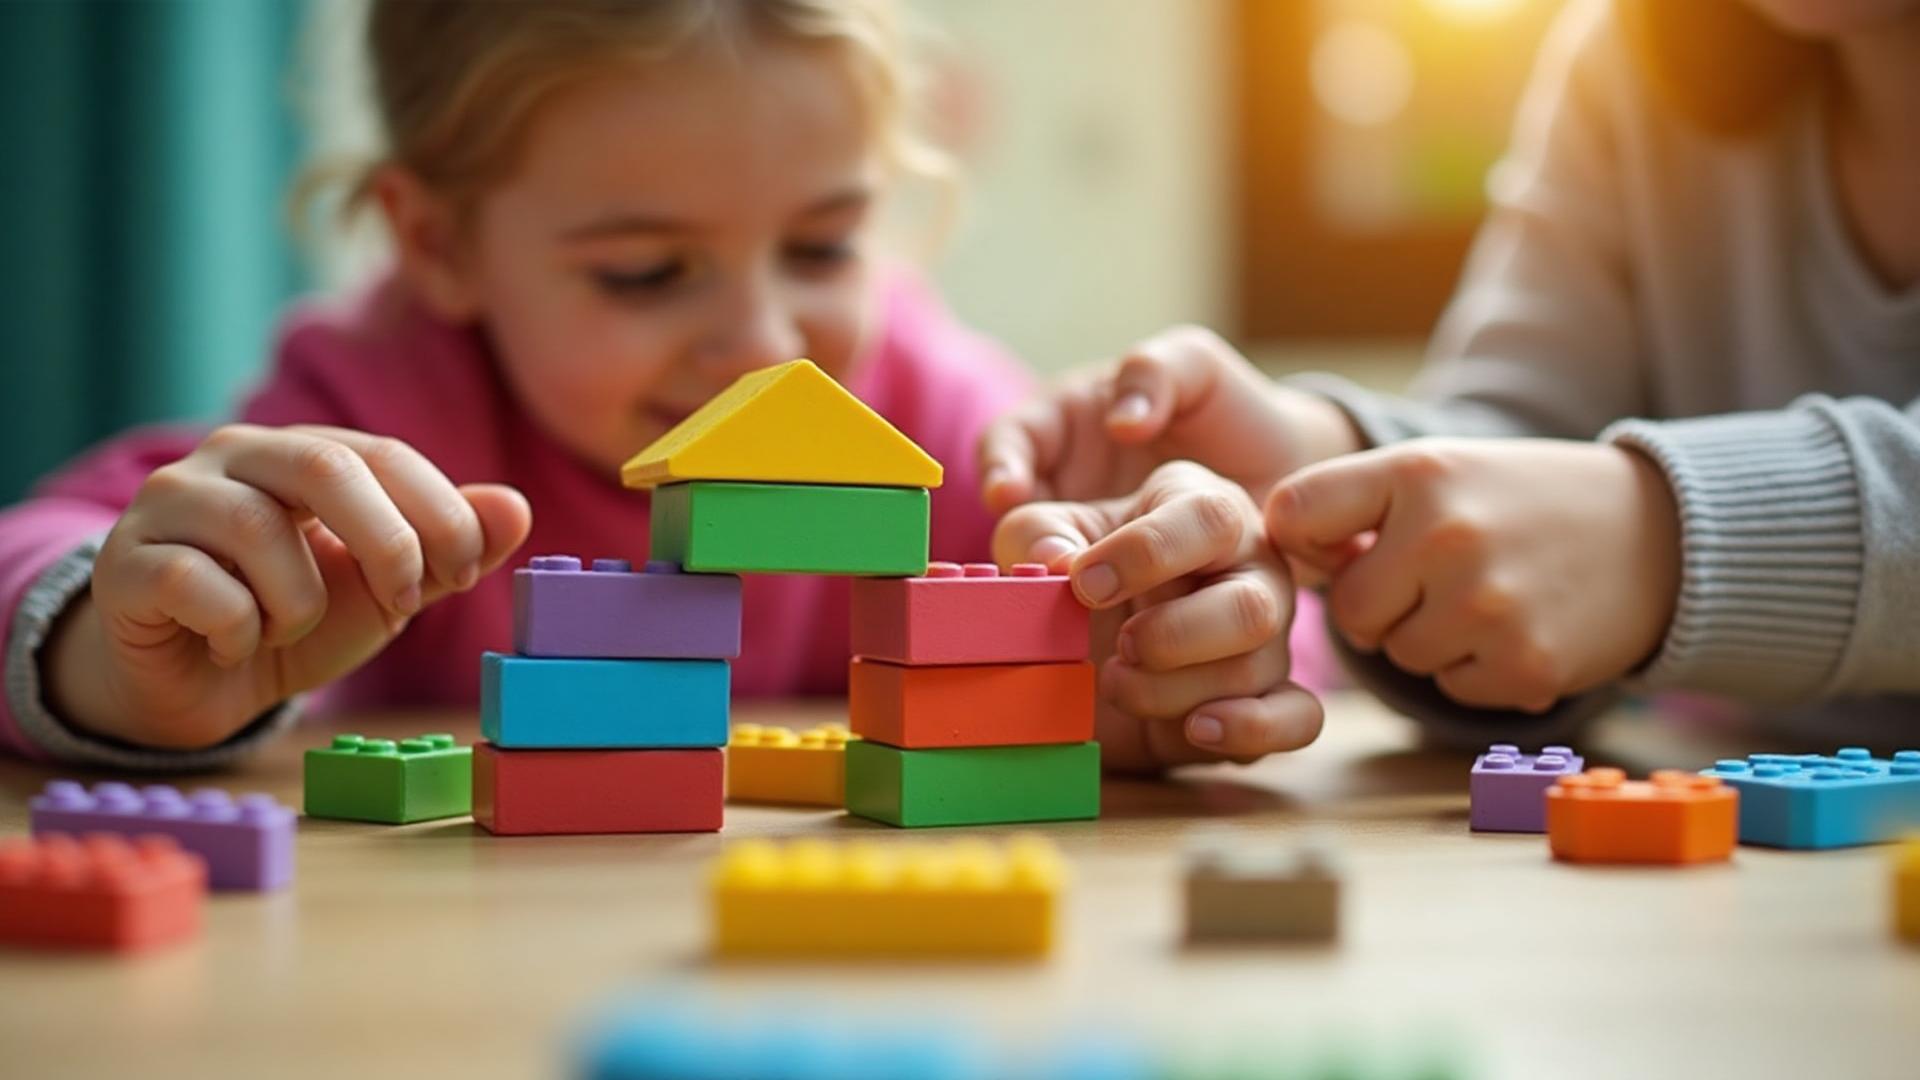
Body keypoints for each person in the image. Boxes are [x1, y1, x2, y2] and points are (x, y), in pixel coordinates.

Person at [0, 0, 1306, 773]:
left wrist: (1185, 649)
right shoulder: (378, 408)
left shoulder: (939, 416)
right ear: (437, 242)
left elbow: (1276, 656)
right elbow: (51, 561)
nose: (762, 342)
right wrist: (119, 660)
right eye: (642, 272)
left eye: (821, 247)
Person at [985, 0, 1920, 747]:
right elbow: (1532, 437)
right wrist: (1315, 457)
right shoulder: (1630, 53)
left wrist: (1667, 545)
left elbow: (1593, 523)